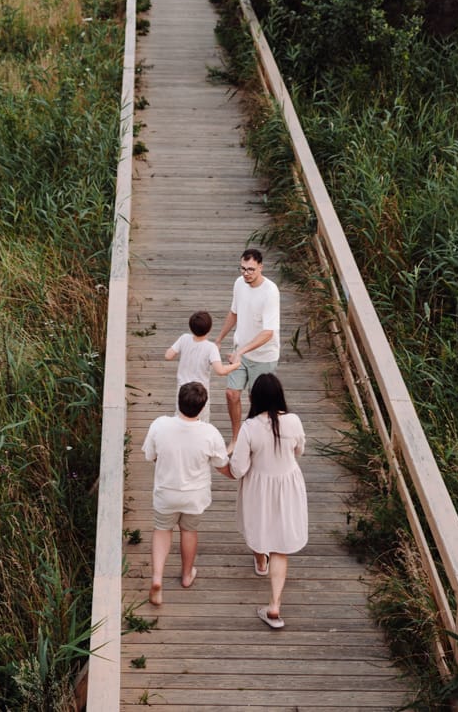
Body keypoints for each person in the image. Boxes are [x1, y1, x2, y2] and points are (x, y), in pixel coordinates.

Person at [225, 372, 308, 629]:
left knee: (258, 524)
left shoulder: (249, 428)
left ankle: (261, 562)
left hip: (259, 485)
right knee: (280, 546)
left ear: (254, 399)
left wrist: (220, 466)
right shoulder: (293, 421)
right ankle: (274, 605)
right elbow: (299, 450)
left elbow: (238, 468)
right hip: (287, 484)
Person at [141, 381, 229, 605]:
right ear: (203, 407)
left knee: (162, 530)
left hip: (166, 492)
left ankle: (157, 578)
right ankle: (187, 575)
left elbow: (150, 456)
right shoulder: (210, 433)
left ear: (178, 401)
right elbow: (221, 463)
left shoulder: (160, 425)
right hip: (195, 496)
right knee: (189, 531)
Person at [216, 247, 280, 447]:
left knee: (257, 402)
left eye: (251, 269)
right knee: (231, 394)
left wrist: (241, 351)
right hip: (240, 352)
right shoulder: (239, 284)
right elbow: (234, 312)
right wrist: (219, 339)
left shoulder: (270, 292)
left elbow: (268, 332)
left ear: (261, 267)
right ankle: (236, 438)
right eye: (243, 268)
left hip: (263, 356)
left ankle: (256, 441)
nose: (246, 273)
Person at [165, 310, 241, 420]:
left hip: (183, 391)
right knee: (201, 422)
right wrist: (237, 364)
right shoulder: (211, 348)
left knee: (181, 418)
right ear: (209, 329)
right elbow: (220, 370)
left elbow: (168, 355)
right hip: (200, 393)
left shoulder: (184, 338)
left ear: (191, 327)